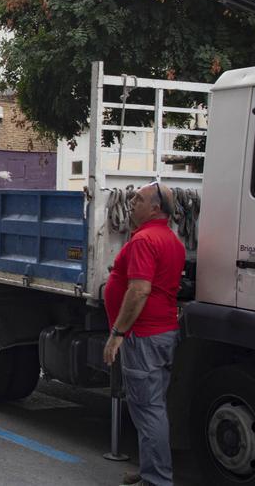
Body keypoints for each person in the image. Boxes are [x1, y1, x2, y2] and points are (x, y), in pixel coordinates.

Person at [102, 181, 185, 486]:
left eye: (137, 199)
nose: (131, 203)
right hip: (162, 333)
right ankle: (151, 468)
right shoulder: (171, 240)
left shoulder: (145, 240)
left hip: (144, 337)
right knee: (152, 406)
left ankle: (157, 479)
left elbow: (139, 291)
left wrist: (117, 333)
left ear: (155, 208)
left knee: (148, 410)